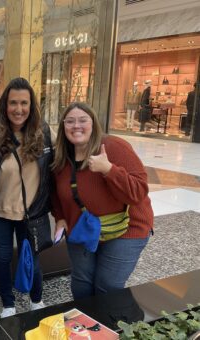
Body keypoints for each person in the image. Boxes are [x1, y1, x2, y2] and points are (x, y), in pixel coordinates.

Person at [51, 102, 153, 299]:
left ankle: (112, 325)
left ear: (93, 124)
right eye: (70, 121)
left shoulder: (114, 147)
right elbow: (55, 192)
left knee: (107, 286)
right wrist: (60, 217)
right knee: (82, 284)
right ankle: (85, 328)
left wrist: (109, 170)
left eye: (83, 120)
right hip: (82, 227)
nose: (76, 126)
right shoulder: (62, 156)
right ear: (63, 127)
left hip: (126, 228)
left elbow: (138, 192)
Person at [0, 78, 53, 318]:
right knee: (2, 259)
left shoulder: (43, 134)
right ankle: (8, 305)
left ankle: (36, 300)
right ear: (4, 106)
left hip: (30, 214)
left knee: (31, 257)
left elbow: (54, 170)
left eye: (24, 103)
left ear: (31, 106)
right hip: (0, 212)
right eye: (13, 103)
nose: (18, 109)